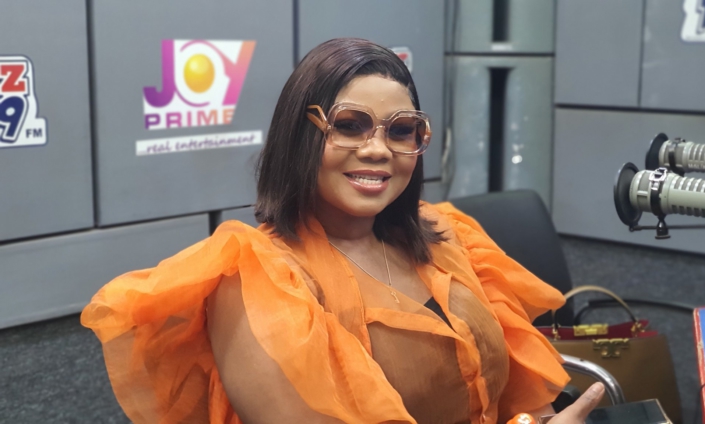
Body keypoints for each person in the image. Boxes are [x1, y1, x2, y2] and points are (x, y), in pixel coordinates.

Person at [81, 38, 603, 424]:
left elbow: (516, 394)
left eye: (401, 131)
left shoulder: (446, 234)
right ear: (300, 134)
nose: (377, 149)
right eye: (350, 125)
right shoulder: (258, 278)